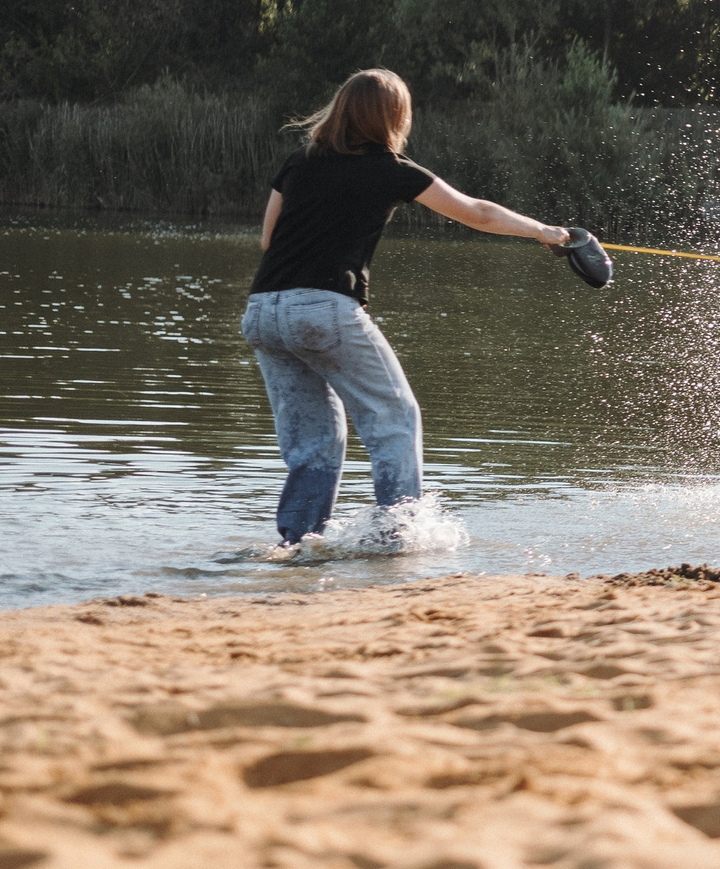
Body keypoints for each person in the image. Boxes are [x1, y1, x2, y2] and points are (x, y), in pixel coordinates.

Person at [244, 68, 571, 547]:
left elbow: (268, 239)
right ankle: (399, 536)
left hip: (262, 313)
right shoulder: (390, 169)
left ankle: (297, 544)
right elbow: (476, 212)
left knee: (315, 442)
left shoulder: (300, 161)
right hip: (324, 309)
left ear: (341, 108)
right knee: (395, 418)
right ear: (393, 117)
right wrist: (543, 232)